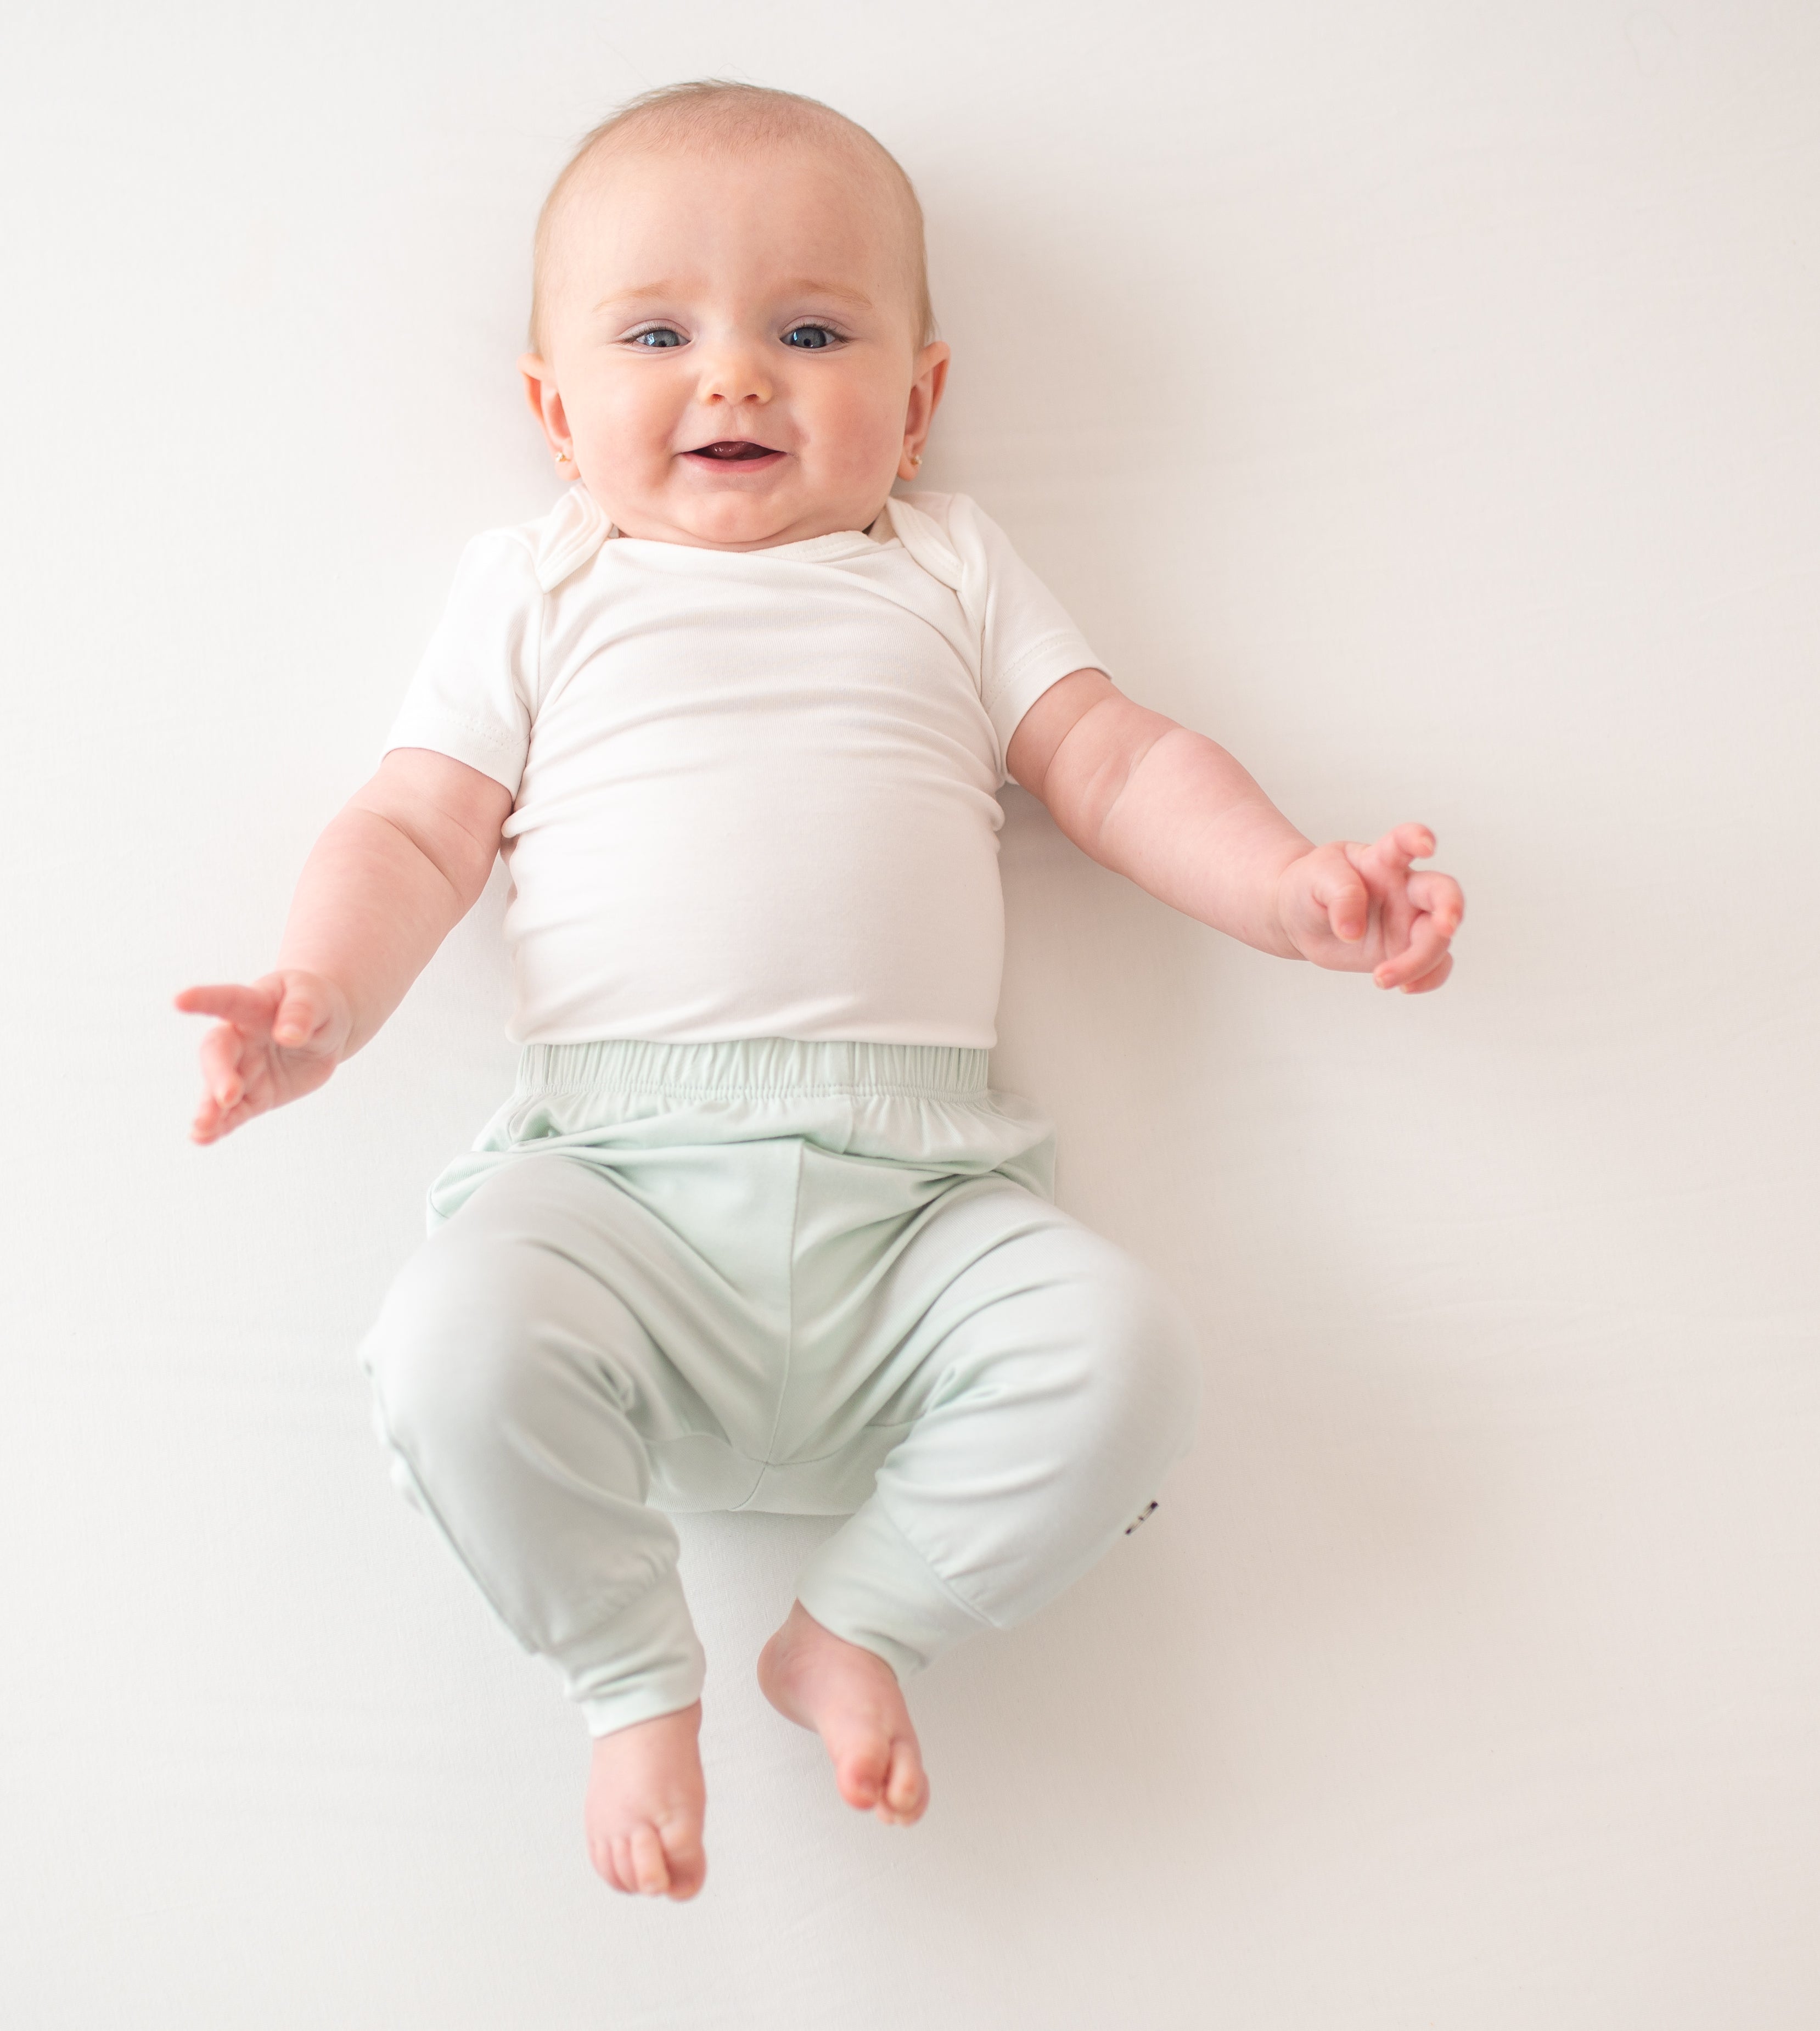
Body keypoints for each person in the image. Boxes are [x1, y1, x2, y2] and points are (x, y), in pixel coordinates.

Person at [177, 81, 1464, 1904]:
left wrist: (1284, 883)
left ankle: (858, 1627)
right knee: (447, 1346)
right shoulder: (536, 588)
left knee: (1125, 1358)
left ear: (918, 399)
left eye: (808, 330)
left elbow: (1109, 761)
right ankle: (629, 1675)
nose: (734, 379)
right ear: (553, 413)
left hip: (922, 1204)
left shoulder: (946, 566)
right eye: (655, 334)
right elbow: (413, 825)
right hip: (611, 1183)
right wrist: (321, 993)